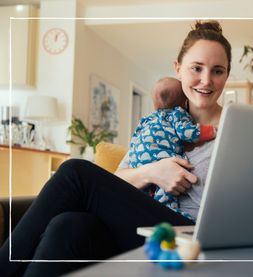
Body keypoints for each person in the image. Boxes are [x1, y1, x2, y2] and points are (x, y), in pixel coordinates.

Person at [0, 19, 231, 276]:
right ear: (177, 69)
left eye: (218, 71)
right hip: (136, 230)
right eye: (196, 68)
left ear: (227, 74)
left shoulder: (236, 129)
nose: (206, 80)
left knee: (75, 172)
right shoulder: (158, 125)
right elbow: (117, 181)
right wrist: (151, 172)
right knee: (67, 226)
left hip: (188, 236)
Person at [129, 77, 217, 221]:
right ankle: (172, 212)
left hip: (138, 159)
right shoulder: (177, 113)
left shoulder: (148, 119)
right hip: (159, 160)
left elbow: (135, 139)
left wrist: (137, 160)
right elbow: (187, 132)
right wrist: (212, 131)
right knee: (165, 193)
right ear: (184, 103)